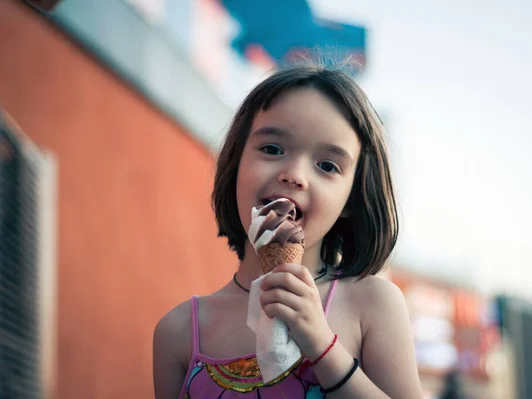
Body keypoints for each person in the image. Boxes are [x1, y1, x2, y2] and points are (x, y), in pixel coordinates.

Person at [153, 63, 422, 398]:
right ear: (235, 164)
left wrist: (322, 346)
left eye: (327, 165)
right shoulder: (179, 331)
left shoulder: (373, 304)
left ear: (352, 197)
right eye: (272, 149)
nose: (294, 174)